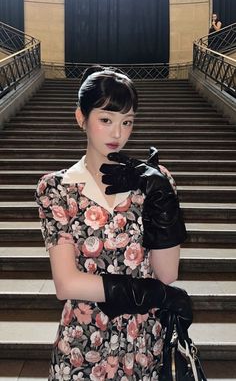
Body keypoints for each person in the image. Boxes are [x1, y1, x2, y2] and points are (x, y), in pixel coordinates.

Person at [35, 65, 192, 381]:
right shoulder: (58, 187)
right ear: (82, 118)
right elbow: (67, 283)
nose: (118, 134)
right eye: (105, 120)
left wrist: (161, 194)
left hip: (144, 340)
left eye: (127, 122)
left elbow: (166, 273)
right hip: (84, 339)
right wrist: (150, 293)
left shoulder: (155, 184)